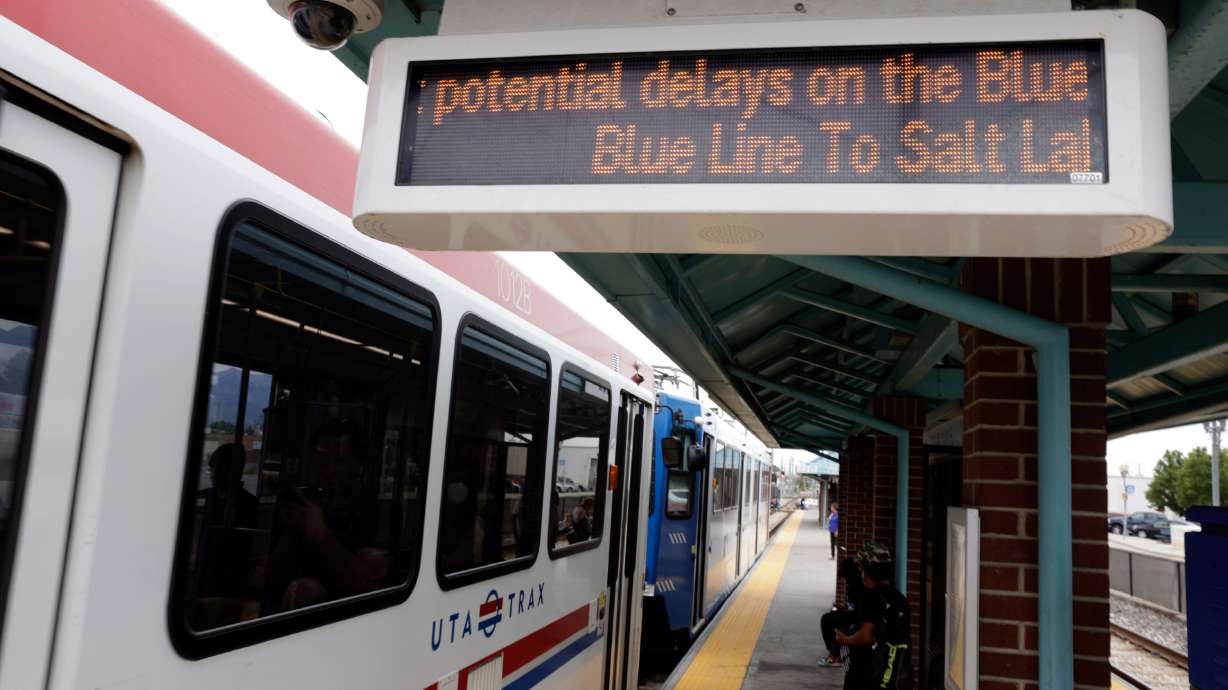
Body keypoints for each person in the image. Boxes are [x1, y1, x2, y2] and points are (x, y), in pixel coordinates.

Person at [835, 543, 912, 690]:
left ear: (867, 571)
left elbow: (866, 636)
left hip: (868, 671)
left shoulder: (870, 596)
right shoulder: (901, 599)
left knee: (844, 654)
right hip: (896, 674)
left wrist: (845, 640)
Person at [818, 557, 866, 668]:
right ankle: (834, 652)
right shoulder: (853, 581)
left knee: (828, 620)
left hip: (857, 618)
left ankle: (836, 655)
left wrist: (844, 611)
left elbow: (857, 610)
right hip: (854, 614)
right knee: (828, 618)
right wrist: (842, 608)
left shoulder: (856, 585)